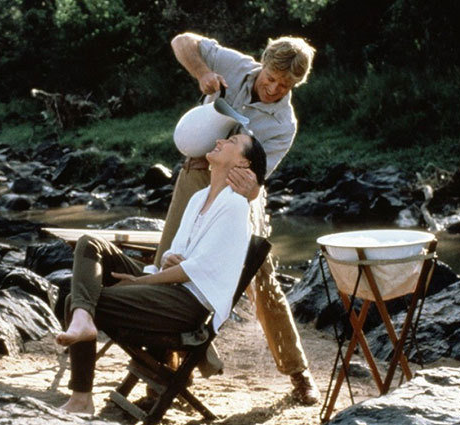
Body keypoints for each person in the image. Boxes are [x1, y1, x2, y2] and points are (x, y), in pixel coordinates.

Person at [155, 32, 320, 404]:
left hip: (240, 192)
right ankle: (166, 373)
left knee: (260, 278)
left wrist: (248, 190)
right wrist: (202, 72)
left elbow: (256, 182)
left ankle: (298, 372)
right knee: (169, 261)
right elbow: (181, 42)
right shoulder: (233, 64)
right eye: (270, 78)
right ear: (262, 63)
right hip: (196, 172)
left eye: (284, 86)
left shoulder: (284, 124)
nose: (273, 89)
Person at [56, 132, 266, 414]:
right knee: (90, 244)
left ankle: (81, 398)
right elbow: (174, 254)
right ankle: (83, 320)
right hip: (166, 286)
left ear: (242, 163)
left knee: (76, 300)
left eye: (231, 142)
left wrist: (143, 280)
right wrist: (166, 260)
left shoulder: (235, 206)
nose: (219, 141)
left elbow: (196, 270)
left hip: (187, 305)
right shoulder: (199, 197)